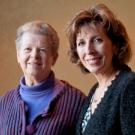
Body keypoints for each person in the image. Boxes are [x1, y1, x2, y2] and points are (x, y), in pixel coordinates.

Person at [0, 20, 86, 135]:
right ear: (18, 56)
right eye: (28, 49)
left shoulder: (76, 101)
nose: (34, 55)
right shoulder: (4, 102)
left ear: (54, 57)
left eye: (42, 50)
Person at [66, 3, 135, 135]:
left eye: (97, 40)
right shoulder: (94, 90)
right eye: (81, 43)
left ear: (115, 45)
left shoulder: (129, 85)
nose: (89, 50)